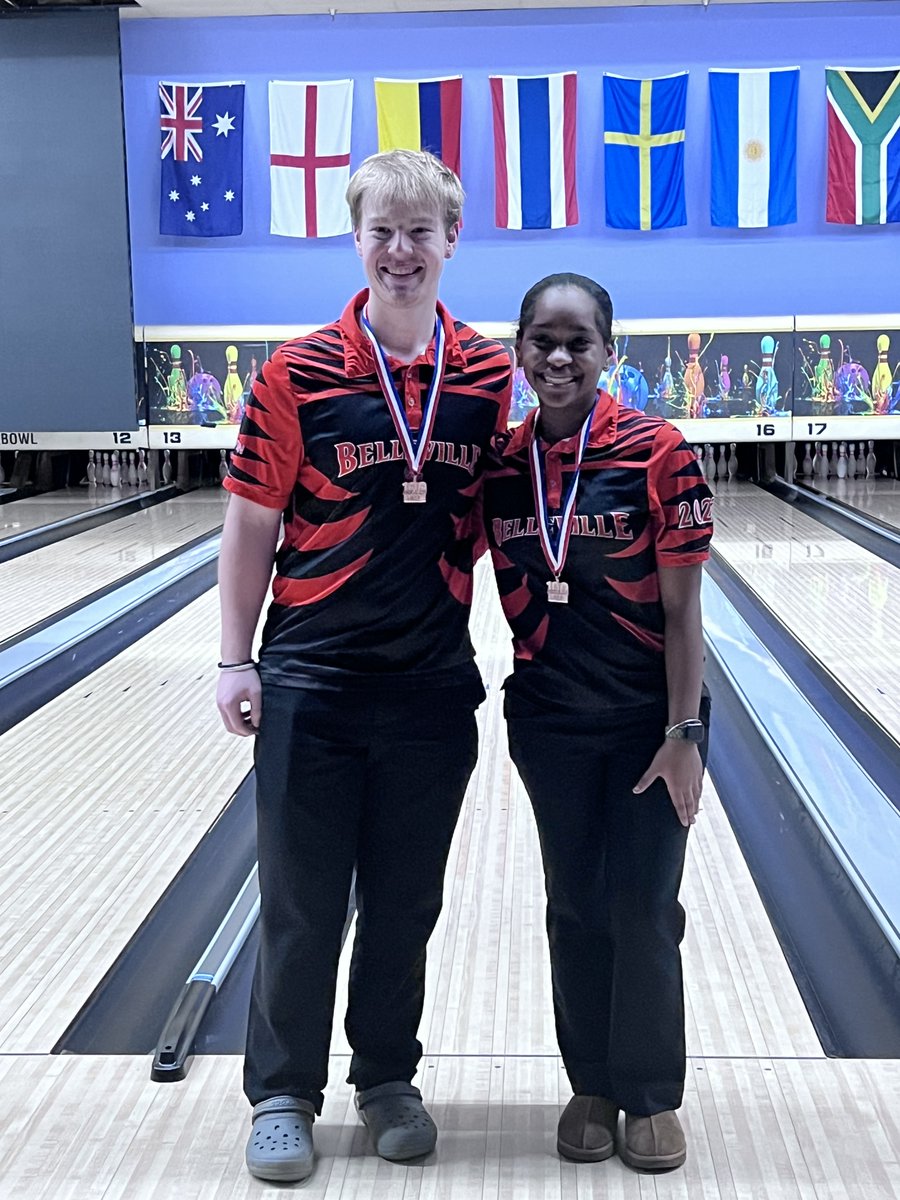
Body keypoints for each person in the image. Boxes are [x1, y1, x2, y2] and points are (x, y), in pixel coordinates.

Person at [216, 149, 511, 1183]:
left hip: (431, 688)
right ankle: (282, 1094)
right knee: (301, 903)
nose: (400, 250)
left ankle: (387, 1077)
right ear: (357, 238)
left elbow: (506, 522)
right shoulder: (294, 374)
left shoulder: (487, 375)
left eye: (419, 231)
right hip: (310, 682)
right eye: (382, 230)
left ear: (449, 241)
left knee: (403, 903)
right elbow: (251, 521)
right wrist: (233, 660)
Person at [483, 273, 713, 1173]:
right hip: (549, 720)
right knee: (574, 905)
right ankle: (592, 1083)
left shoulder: (659, 452)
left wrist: (683, 733)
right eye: (543, 339)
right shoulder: (502, 462)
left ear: (608, 351)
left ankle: (651, 1093)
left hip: (650, 720)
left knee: (644, 906)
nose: (560, 357)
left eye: (579, 341)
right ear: (519, 349)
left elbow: (686, 614)